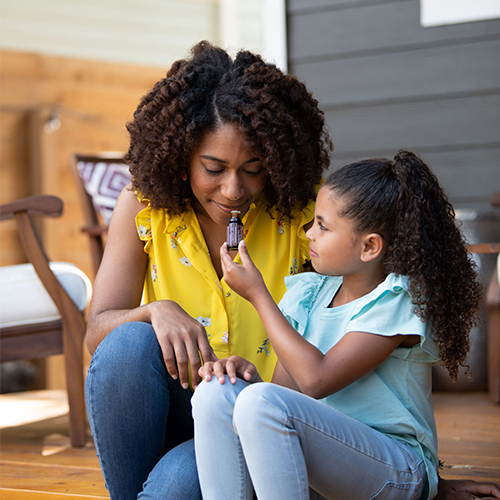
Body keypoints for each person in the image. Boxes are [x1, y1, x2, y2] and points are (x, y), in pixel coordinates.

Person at [84, 40, 500, 500]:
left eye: (254, 169)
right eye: (213, 168)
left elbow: (342, 368)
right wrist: (155, 311)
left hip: (271, 419)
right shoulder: (142, 208)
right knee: (127, 341)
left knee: (176, 487)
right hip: (191, 406)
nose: (234, 189)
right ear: (180, 157)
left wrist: (427, 483)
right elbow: (96, 334)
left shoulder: (307, 219)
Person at [192, 151, 498, 500]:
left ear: (369, 246)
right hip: (328, 465)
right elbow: (283, 394)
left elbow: (317, 380)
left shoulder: (397, 299)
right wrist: (245, 379)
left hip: (397, 469)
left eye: (322, 225)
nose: (309, 233)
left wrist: (258, 295)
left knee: (261, 400)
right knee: (216, 390)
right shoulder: (309, 293)